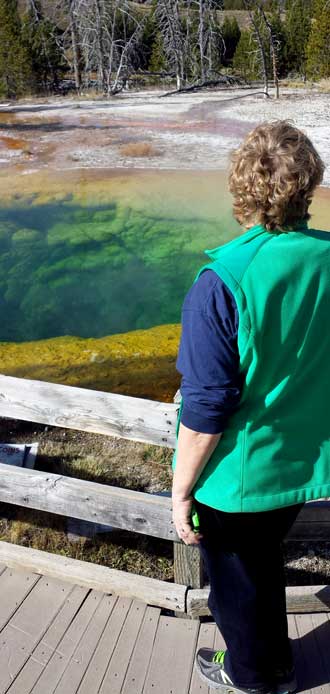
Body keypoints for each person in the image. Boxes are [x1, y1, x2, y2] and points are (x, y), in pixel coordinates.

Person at [171, 120, 329, 694]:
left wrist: (181, 489)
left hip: (237, 477)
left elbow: (207, 407)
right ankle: (275, 661)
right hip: (302, 466)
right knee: (261, 569)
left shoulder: (222, 281)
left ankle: (257, 676)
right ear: (307, 185)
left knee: (237, 587)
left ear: (241, 190)